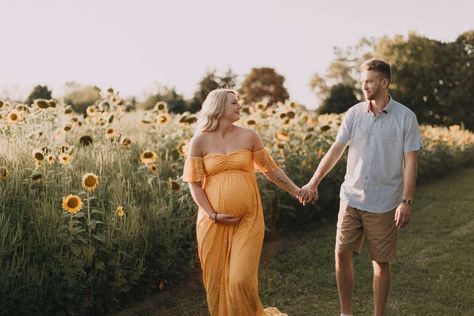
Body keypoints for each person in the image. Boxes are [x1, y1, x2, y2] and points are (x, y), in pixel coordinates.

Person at [298, 58, 423, 316]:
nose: (363, 86)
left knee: (380, 262)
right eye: (362, 81)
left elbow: (410, 162)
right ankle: (346, 313)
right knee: (341, 252)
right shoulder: (354, 114)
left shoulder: (406, 118)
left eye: (369, 81)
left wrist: (406, 201)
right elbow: (336, 150)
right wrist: (313, 182)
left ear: (384, 82)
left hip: (385, 201)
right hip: (351, 197)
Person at [183, 88, 299, 316]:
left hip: (248, 220)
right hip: (212, 223)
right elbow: (194, 184)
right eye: (234, 103)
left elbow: (270, 169)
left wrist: (296, 191)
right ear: (218, 107)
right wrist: (213, 215)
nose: (240, 106)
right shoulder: (199, 141)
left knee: (240, 280)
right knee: (216, 284)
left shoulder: (249, 136)